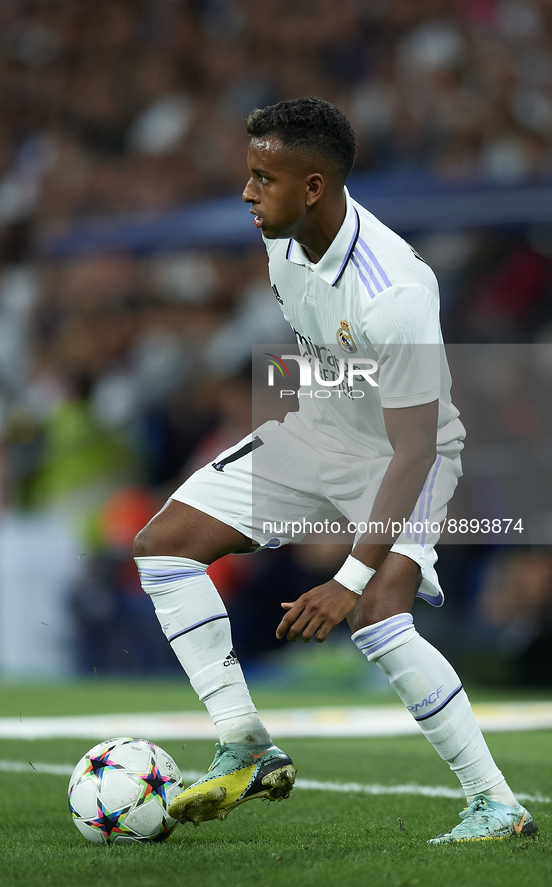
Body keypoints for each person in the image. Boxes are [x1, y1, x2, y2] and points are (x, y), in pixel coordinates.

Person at [133, 97, 538, 843]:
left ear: (313, 186)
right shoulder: (280, 238)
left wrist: (346, 578)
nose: (247, 193)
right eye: (249, 175)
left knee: (380, 610)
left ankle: (496, 803)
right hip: (318, 425)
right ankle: (246, 743)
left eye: (263, 179)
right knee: (161, 544)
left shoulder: (395, 290)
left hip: (404, 452)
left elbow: (414, 447)